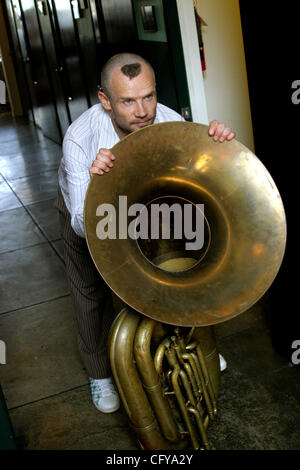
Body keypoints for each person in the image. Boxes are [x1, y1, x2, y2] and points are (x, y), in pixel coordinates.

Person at [55, 53, 235, 414]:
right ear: (105, 100)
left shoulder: (169, 120)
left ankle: (195, 347)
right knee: (89, 293)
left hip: (147, 207)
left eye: (148, 96)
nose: (143, 112)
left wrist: (218, 147)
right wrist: (96, 187)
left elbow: (194, 181)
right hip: (86, 210)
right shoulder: (80, 138)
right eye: (128, 101)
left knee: (170, 276)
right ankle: (99, 374)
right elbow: (80, 222)